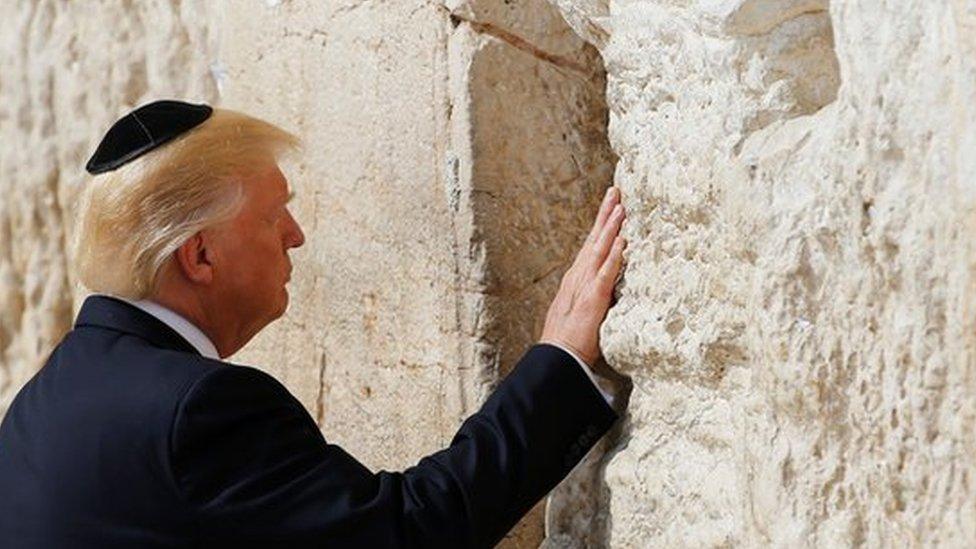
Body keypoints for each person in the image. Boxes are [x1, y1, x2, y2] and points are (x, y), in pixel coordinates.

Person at [0, 100, 629, 548]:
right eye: (274, 216)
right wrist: (560, 360)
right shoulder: (198, 411)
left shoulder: (39, 402)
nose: (295, 236)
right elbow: (408, 533)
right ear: (200, 256)